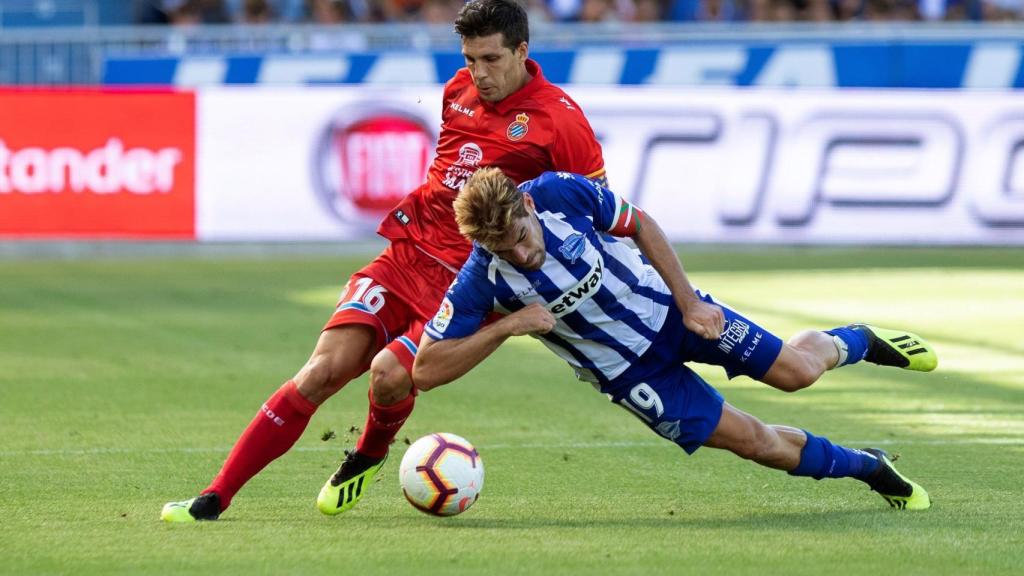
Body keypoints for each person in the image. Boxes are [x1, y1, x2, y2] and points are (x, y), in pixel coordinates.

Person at [161, 0, 606, 522]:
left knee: (389, 373)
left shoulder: (559, 119)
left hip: (469, 282)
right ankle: (214, 498)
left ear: (522, 51)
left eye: (490, 59)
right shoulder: (456, 92)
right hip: (406, 254)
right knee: (320, 371)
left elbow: (591, 208)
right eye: (470, 59)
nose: (478, 74)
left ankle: (369, 453)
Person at [412, 167, 937, 511]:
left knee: (798, 373)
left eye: (522, 239)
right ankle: (869, 466)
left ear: (526, 207)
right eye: (504, 251)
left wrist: (688, 300)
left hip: (669, 311)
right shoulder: (482, 279)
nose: (522, 255)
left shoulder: (557, 194)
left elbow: (639, 224)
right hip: (632, 377)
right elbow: (426, 370)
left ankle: (861, 340)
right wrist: (506, 326)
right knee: (757, 444)